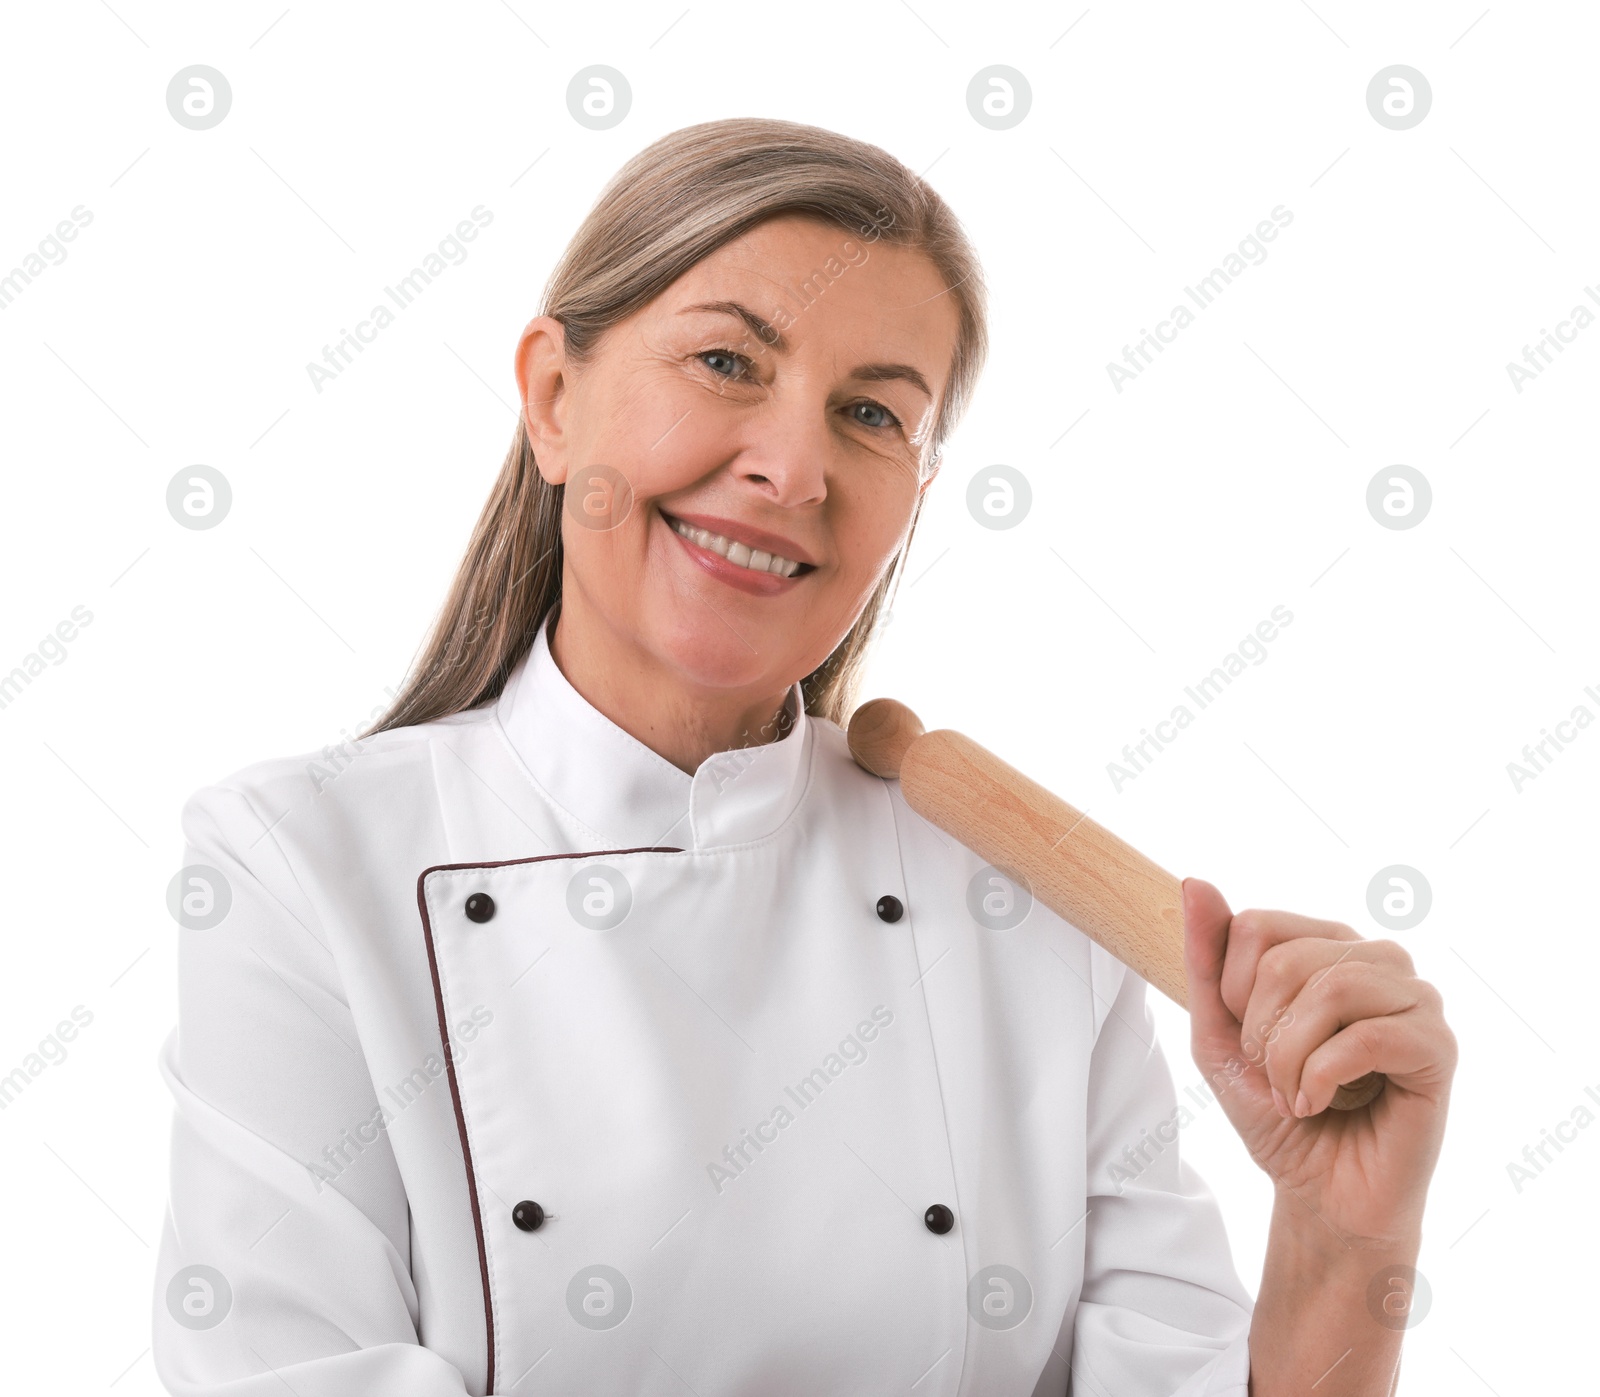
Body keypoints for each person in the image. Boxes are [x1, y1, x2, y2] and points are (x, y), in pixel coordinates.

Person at [154, 116, 1456, 1397]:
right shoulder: (299, 866)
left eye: (873, 416)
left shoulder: (1030, 911)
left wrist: (1348, 1238)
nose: (791, 467)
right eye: (726, 361)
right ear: (553, 399)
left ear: (915, 495)